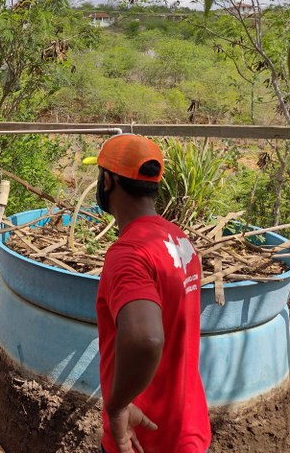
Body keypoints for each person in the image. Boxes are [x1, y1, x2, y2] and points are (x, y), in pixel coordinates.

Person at [91, 134, 211, 453]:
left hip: (143, 436)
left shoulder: (129, 252)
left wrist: (117, 407)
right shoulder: (178, 239)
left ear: (107, 181)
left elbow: (146, 339)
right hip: (188, 428)